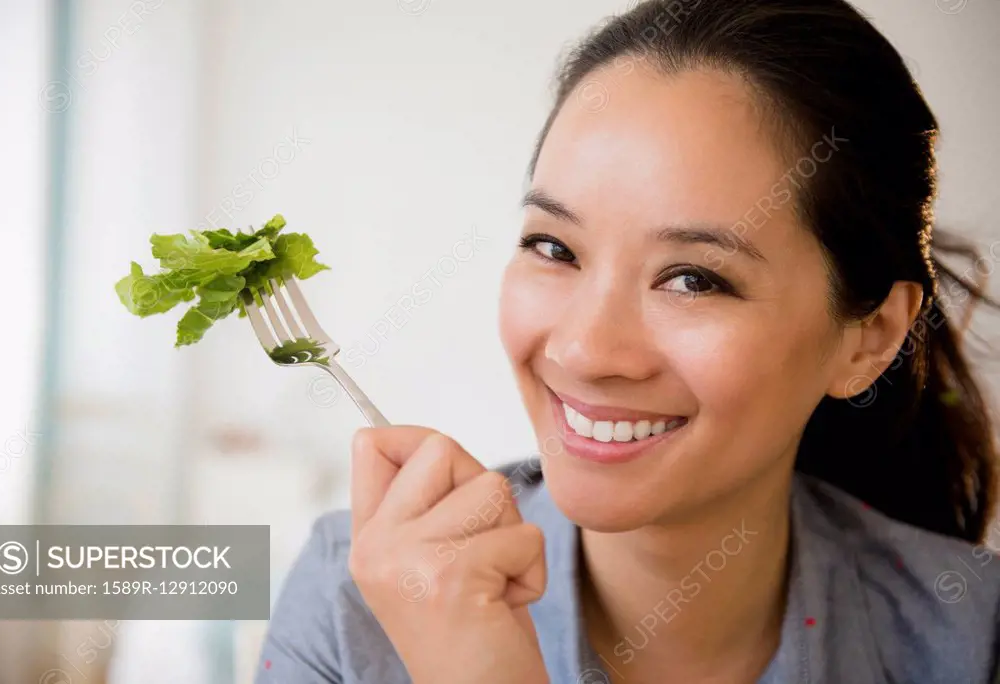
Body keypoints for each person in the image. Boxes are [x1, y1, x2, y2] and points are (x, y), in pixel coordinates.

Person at [255, 0, 1000, 681]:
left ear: (868, 338)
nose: (582, 351)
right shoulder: (352, 601)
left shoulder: (971, 637)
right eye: (555, 248)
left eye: (694, 279)